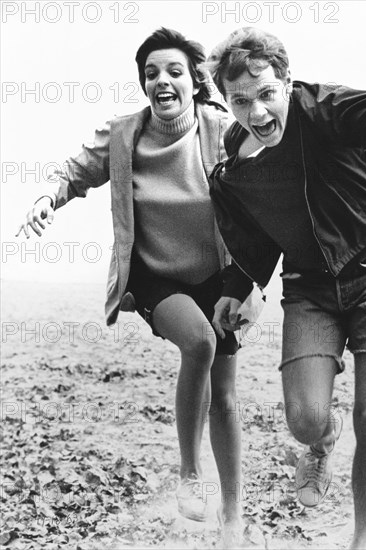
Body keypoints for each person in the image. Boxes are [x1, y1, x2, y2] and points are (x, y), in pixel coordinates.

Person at [16, 27, 244, 548]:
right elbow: (78, 170)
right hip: (154, 274)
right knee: (199, 342)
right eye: (151, 73)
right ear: (143, 84)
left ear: (193, 80)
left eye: (173, 71)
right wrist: (47, 199)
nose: (161, 81)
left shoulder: (222, 130)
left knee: (226, 399)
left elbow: (270, 168)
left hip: (221, 274)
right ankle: (190, 474)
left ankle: (233, 514)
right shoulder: (124, 135)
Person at [206, 27, 366, 550]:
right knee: (305, 420)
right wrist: (237, 285)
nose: (257, 113)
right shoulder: (234, 164)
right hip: (309, 289)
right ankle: (321, 444)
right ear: (226, 100)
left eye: (266, 95)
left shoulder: (322, 108)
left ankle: (361, 540)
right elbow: (255, 240)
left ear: (285, 82)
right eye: (240, 101)